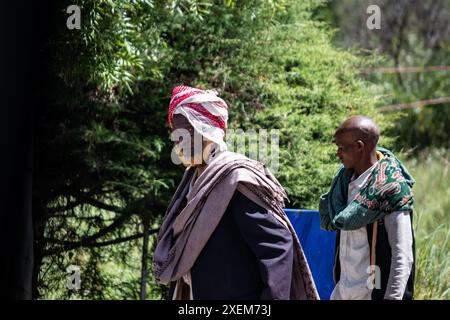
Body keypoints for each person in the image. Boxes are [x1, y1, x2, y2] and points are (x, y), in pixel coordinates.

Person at [153, 85, 319, 300]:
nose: (179, 143)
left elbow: (276, 248)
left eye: (187, 132)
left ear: (208, 132)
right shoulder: (194, 180)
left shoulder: (235, 180)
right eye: (176, 136)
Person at [319, 115, 415, 300]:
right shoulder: (342, 185)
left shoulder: (391, 189)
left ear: (360, 147)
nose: (338, 154)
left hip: (371, 295)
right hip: (342, 293)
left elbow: (402, 256)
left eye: (341, 148)